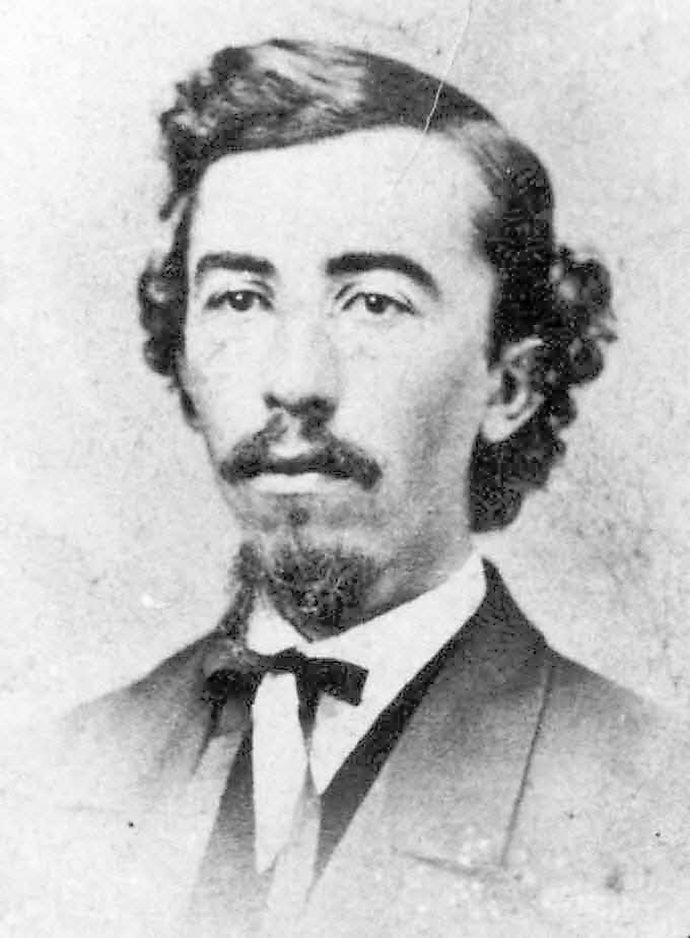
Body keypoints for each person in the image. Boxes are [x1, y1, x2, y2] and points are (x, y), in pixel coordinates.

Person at [2, 38, 690, 938]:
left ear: (510, 385)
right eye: (240, 299)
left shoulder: (657, 806)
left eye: (374, 302)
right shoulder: (41, 780)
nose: (294, 380)